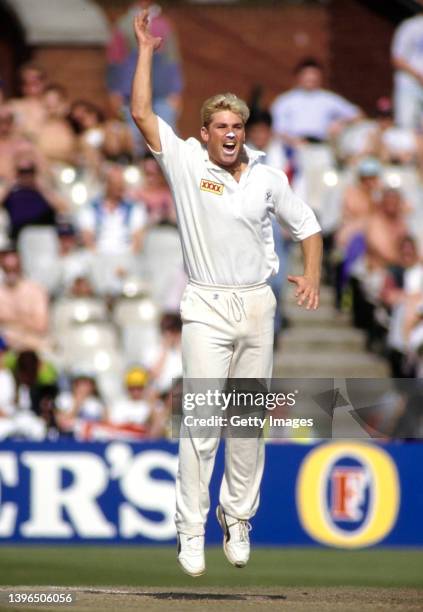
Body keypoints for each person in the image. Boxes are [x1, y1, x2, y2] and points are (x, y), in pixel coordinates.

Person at [131, 10, 322, 577]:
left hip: (258, 304)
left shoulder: (266, 174)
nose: (231, 134)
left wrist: (310, 274)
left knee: (246, 425)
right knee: (202, 422)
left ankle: (236, 517)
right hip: (208, 304)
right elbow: (141, 112)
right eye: (221, 126)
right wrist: (145, 50)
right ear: (206, 131)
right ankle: (190, 528)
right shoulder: (185, 161)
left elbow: (308, 227)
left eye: (237, 126)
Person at [391, 6, 423, 129]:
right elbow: (397, 58)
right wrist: (418, 75)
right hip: (409, 86)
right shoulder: (410, 26)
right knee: (406, 126)